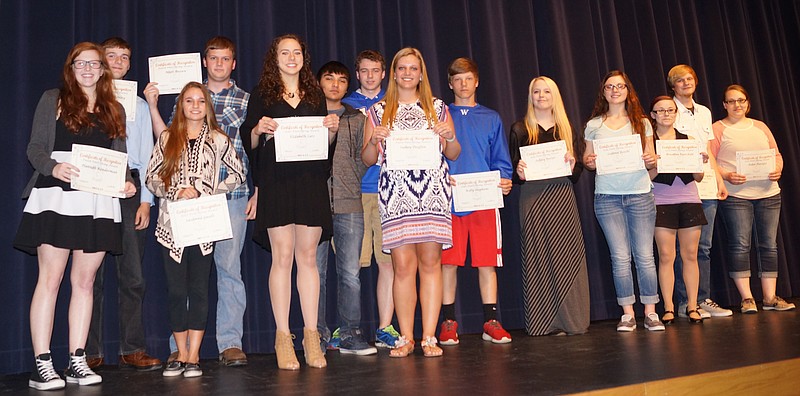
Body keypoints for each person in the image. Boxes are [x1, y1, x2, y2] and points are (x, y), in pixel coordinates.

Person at [14, 41, 135, 390]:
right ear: (71, 68)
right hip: (57, 198)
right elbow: (35, 148)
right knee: (49, 281)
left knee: (84, 284)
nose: (87, 69)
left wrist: (126, 183)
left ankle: (77, 361)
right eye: (80, 63)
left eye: (93, 64)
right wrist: (55, 167)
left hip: (97, 202)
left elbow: (119, 157)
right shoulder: (53, 99)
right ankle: (42, 363)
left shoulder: (115, 108)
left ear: (102, 69)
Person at [144, 36, 253, 367]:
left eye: (200, 102)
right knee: (178, 286)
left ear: (233, 63)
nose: (195, 106)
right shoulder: (169, 136)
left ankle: (218, 346)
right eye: (189, 102)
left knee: (219, 276)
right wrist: (174, 190)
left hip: (216, 211)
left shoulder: (236, 114)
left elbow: (243, 166)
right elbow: (153, 174)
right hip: (173, 219)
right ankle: (179, 349)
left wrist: (210, 190)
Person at [241, 34, 339, 370]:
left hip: (310, 182)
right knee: (282, 257)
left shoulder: (315, 93)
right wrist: (258, 128)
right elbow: (249, 140)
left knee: (308, 257)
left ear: (303, 58)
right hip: (277, 183)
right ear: (275, 58)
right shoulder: (263, 94)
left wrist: (332, 129)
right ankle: (283, 337)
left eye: (297, 52)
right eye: (285, 52)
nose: (291, 57)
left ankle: (312, 336)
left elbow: (326, 146)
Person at [362, 47, 460, 358]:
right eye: (401, 68)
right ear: (393, 73)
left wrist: (450, 138)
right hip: (396, 196)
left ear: (421, 74)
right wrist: (374, 140)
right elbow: (366, 159)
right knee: (403, 268)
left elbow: (454, 153)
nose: (407, 73)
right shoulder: (378, 111)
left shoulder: (438, 108)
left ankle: (429, 336)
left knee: (431, 265)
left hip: (432, 194)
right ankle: (406, 337)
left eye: (413, 68)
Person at [83, 37, 162, 372]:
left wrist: (146, 202)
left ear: (130, 64)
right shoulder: (86, 100)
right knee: (89, 276)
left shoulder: (140, 107)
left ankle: (132, 348)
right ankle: (86, 350)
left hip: (130, 187)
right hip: (93, 184)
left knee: (133, 274)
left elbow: (145, 157)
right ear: (100, 60)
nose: (117, 61)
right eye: (111, 55)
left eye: (124, 57)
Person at [439, 58, 514, 346]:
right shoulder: (441, 116)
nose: (463, 84)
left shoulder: (491, 117)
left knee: (487, 264)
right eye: (457, 80)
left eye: (468, 78)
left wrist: (504, 180)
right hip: (450, 200)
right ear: (450, 84)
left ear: (477, 81)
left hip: (483, 199)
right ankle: (448, 322)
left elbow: (501, 161)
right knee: (448, 264)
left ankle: (491, 321)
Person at [509, 76, 590, 336]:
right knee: (538, 259)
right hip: (532, 200)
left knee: (568, 258)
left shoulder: (566, 129)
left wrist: (572, 161)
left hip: (562, 199)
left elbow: (577, 172)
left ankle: (573, 321)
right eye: (536, 91)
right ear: (530, 96)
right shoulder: (520, 129)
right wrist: (518, 170)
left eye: (546, 91)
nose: (541, 96)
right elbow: (512, 172)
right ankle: (544, 323)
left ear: (555, 96)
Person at [583, 70, 663, 332]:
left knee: (644, 256)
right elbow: (588, 160)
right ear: (603, 92)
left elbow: (652, 163)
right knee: (619, 257)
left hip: (640, 194)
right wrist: (589, 162)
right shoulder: (594, 125)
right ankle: (627, 312)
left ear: (628, 91)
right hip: (607, 198)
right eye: (609, 86)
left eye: (620, 86)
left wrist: (652, 161)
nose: (615, 90)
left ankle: (650, 311)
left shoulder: (642, 123)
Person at [712, 84, 795, 313]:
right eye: (731, 101)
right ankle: (747, 298)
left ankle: (770, 297)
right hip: (736, 195)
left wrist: (777, 168)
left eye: (741, 100)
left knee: (769, 245)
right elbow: (710, 161)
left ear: (747, 103)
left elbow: (776, 155)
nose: (737, 105)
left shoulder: (760, 126)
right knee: (740, 245)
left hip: (769, 193)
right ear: (724, 105)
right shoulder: (718, 129)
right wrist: (727, 175)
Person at [314, 61, 377, 355]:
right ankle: (316, 334)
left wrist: (374, 144)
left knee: (350, 273)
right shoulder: (306, 115)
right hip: (312, 205)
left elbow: (363, 161)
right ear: (318, 83)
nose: (336, 85)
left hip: (350, 202)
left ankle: (350, 333)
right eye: (330, 79)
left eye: (342, 80)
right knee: (316, 274)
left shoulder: (358, 119)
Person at [342, 50, 400, 349]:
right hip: (354, 191)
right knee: (351, 265)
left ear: (383, 73)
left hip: (390, 190)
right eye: (364, 71)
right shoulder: (345, 106)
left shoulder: (397, 105)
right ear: (357, 73)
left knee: (387, 263)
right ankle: (348, 328)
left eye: (375, 70)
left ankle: (385, 327)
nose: (370, 76)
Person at [667, 65, 732, 319]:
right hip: (681, 188)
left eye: (690, 79)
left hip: (706, 185)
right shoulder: (668, 110)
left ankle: (701, 299)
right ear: (672, 86)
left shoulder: (704, 112)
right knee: (682, 250)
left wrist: (719, 180)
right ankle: (685, 303)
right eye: (679, 80)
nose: (686, 83)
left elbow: (708, 149)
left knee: (703, 247)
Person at [648, 95, 707, 324]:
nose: (666, 114)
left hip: (689, 199)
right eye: (660, 111)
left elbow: (699, 177)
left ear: (676, 113)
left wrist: (700, 161)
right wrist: (655, 162)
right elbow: (648, 178)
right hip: (662, 202)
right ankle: (669, 307)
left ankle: (693, 306)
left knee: (691, 255)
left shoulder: (688, 139)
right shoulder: (649, 143)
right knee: (666, 256)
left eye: (670, 110)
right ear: (653, 115)